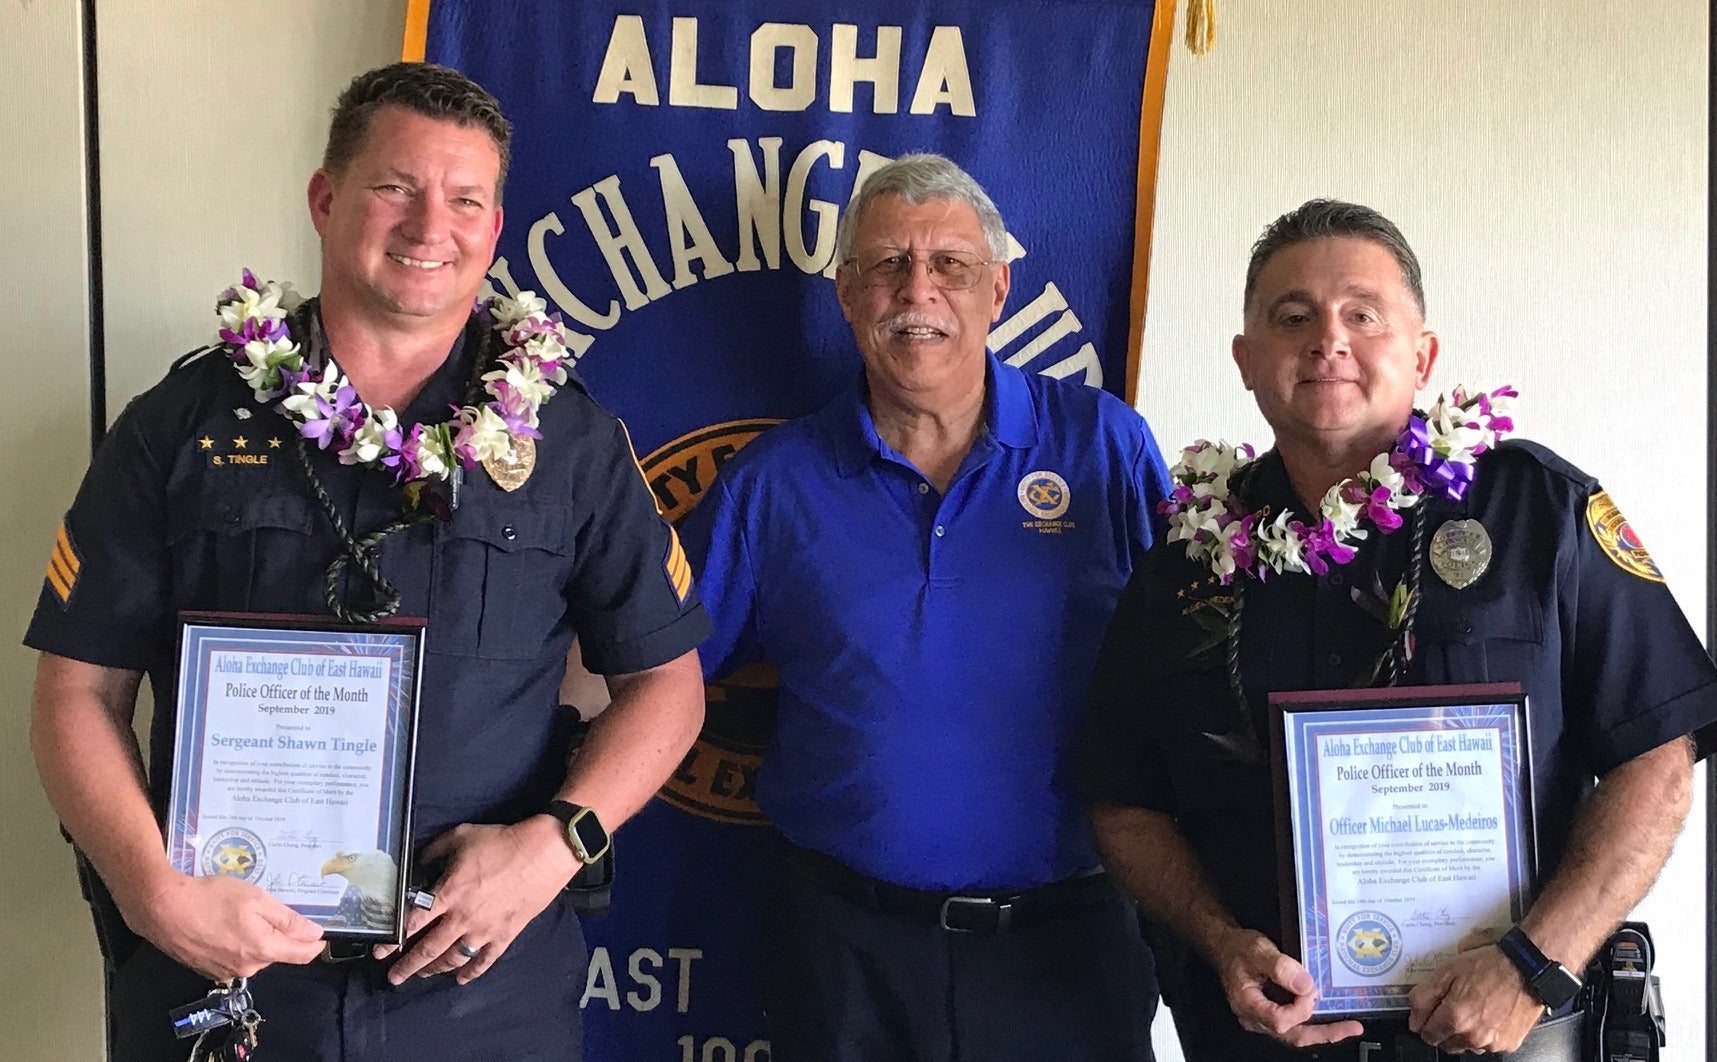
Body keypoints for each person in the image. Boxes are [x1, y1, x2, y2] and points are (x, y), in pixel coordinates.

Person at [26, 62, 708, 1060]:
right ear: (325, 198)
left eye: (464, 199)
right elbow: (76, 691)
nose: (431, 225)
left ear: (494, 228)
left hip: (479, 991)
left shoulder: (571, 443)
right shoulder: (180, 426)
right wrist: (148, 889)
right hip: (225, 973)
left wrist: (554, 845)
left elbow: (668, 685)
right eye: (395, 186)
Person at [1082, 199, 1717, 1061]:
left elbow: (1656, 757)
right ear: (1244, 360)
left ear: (1421, 356)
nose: (1327, 341)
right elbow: (1123, 796)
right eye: (1292, 317)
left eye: (1362, 315)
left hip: (1507, 1035)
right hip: (1262, 1039)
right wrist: (1219, 941)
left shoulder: (1537, 512)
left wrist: (1535, 965)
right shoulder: (1187, 555)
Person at [679, 153, 1170, 1061]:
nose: (918, 291)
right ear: (845, 294)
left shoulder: (1104, 446)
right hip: (844, 954)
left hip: (1066, 949)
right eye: (886, 265)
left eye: (950, 264)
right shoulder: (772, 482)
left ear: (998, 289)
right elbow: (656, 666)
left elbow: (1188, 665)